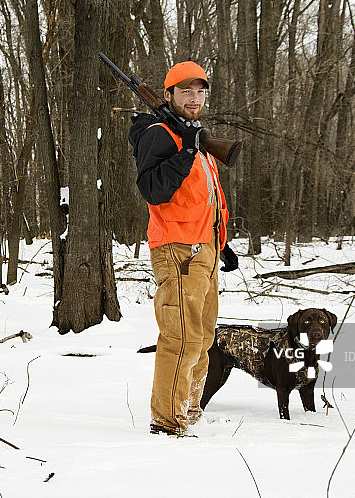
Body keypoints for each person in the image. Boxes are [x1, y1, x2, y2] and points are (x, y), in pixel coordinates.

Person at [128, 61, 231, 436]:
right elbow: (153, 190)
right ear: (168, 95)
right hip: (179, 250)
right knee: (181, 336)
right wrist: (186, 151)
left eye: (200, 90)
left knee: (202, 337)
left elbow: (205, 198)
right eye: (186, 90)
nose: (195, 97)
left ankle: (189, 408)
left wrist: (222, 241)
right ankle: (168, 421)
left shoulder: (194, 137)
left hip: (204, 248)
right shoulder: (161, 134)